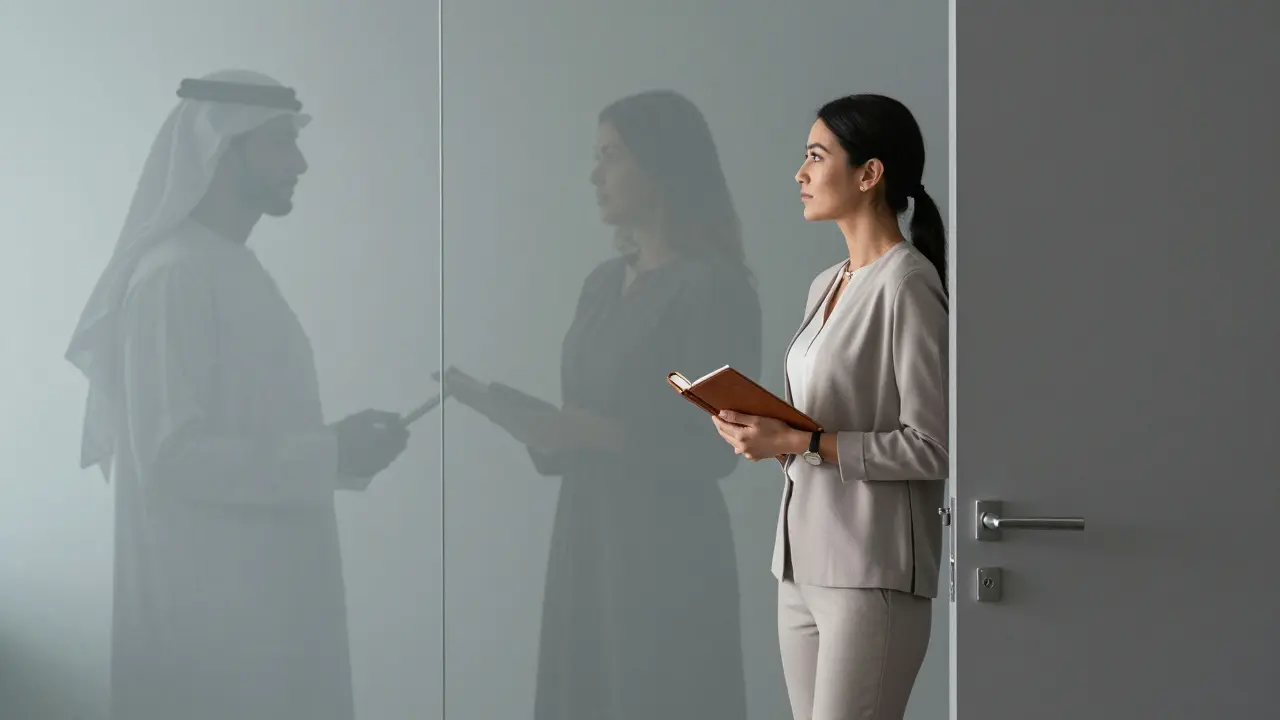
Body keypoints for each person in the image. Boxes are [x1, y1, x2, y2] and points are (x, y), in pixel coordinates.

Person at [64, 70, 411, 720]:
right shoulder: (175, 276)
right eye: (281, 142)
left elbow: (242, 427)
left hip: (260, 607)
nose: (300, 163)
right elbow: (172, 458)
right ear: (220, 149)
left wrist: (339, 451)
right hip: (212, 624)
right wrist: (329, 453)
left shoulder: (226, 265)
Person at [444, 90, 760, 719]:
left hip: (666, 554)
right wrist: (539, 427)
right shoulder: (600, 284)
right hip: (587, 536)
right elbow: (583, 417)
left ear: (660, 165)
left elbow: (721, 448)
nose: (595, 175)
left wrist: (593, 434)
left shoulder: (712, 290)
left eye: (610, 157)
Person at [712, 93, 949, 720]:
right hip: (798, 566)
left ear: (869, 174)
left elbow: (933, 446)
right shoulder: (827, 284)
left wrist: (799, 443)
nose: (801, 173)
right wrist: (763, 436)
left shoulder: (908, 284)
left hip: (870, 573)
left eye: (817, 156)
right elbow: (812, 429)